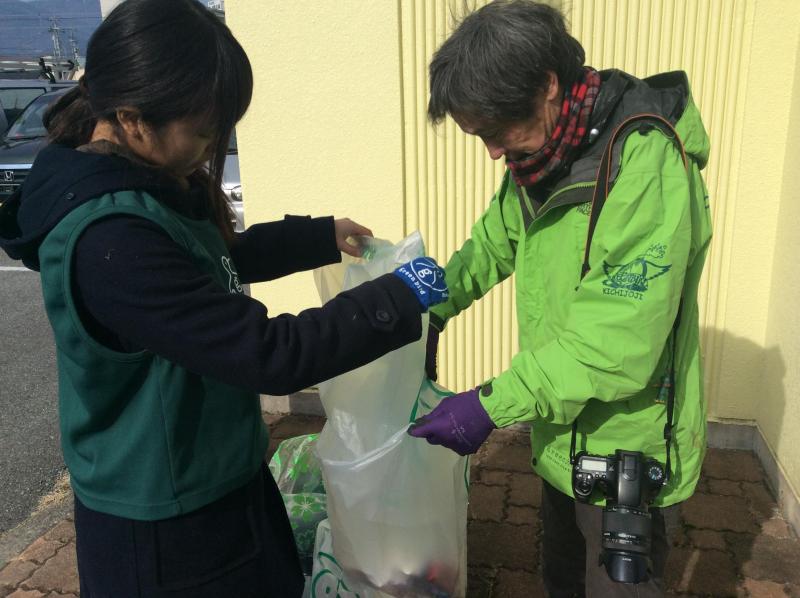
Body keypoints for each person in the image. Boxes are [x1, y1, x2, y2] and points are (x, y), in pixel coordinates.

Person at [0, 1, 447, 596]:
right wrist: (396, 296)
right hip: (166, 524)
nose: (216, 146)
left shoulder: (145, 187)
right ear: (132, 119)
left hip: (216, 475)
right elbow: (270, 353)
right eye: (208, 131)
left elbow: (209, 262)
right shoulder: (111, 241)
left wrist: (316, 235)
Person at [408, 1, 712, 596]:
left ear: (548, 86)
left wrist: (490, 404)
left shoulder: (644, 163)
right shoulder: (536, 159)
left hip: (629, 450)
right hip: (560, 432)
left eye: (495, 133)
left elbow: (616, 342)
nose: (493, 153)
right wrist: (418, 308)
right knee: (560, 578)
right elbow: (491, 248)